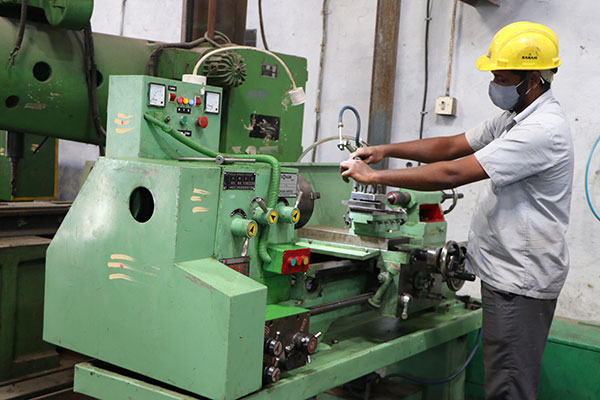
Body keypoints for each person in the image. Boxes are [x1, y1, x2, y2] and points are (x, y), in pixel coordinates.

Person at [340, 21, 573, 400]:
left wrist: (376, 176)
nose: (494, 83)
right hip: (506, 273)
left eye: (501, 77)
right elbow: (450, 145)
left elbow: (454, 172)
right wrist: (385, 150)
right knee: (504, 381)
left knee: (508, 389)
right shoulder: (514, 118)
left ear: (533, 79)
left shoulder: (541, 130)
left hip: (521, 281)